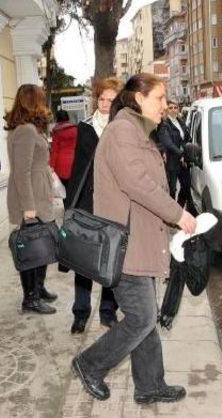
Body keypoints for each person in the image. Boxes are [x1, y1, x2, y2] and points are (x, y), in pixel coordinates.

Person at [71, 74, 197, 404]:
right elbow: (138, 183)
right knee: (142, 317)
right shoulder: (122, 132)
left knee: (145, 318)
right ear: (139, 99)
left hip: (140, 241)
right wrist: (178, 215)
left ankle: (150, 384)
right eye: (159, 98)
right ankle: (89, 364)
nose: (165, 105)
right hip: (126, 247)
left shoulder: (137, 131)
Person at [65, 77, 123, 334]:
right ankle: (80, 312)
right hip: (88, 203)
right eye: (101, 99)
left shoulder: (122, 128)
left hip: (114, 205)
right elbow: (77, 169)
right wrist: (71, 205)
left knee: (111, 258)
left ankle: (107, 311)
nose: (105, 104)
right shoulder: (85, 128)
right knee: (84, 258)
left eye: (111, 100)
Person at [6, 84, 57, 315]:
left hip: (39, 195)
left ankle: (39, 287)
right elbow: (21, 171)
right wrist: (28, 207)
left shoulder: (30, 129)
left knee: (41, 244)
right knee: (31, 247)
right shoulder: (25, 131)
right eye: (40, 99)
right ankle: (30, 299)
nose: (44, 104)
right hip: (31, 198)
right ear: (32, 102)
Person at [157, 100, 194, 211]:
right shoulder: (164, 124)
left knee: (186, 186)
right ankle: (172, 215)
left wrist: (185, 150)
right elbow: (168, 144)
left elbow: (186, 138)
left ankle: (178, 209)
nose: (173, 109)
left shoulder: (181, 121)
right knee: (172, 190)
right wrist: (181, 153)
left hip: (183, 161)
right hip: (172, 162)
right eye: (171, 107)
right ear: (167, 110)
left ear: (178, 109)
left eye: (175, 107)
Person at [49, 109, 78, 189]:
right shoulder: (76, 129)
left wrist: (51, 166)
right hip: (75, 162)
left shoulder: (57, 132)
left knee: (63, 189)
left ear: (57, 118)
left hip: (60, 164)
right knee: (73, 188)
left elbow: (55, 151)